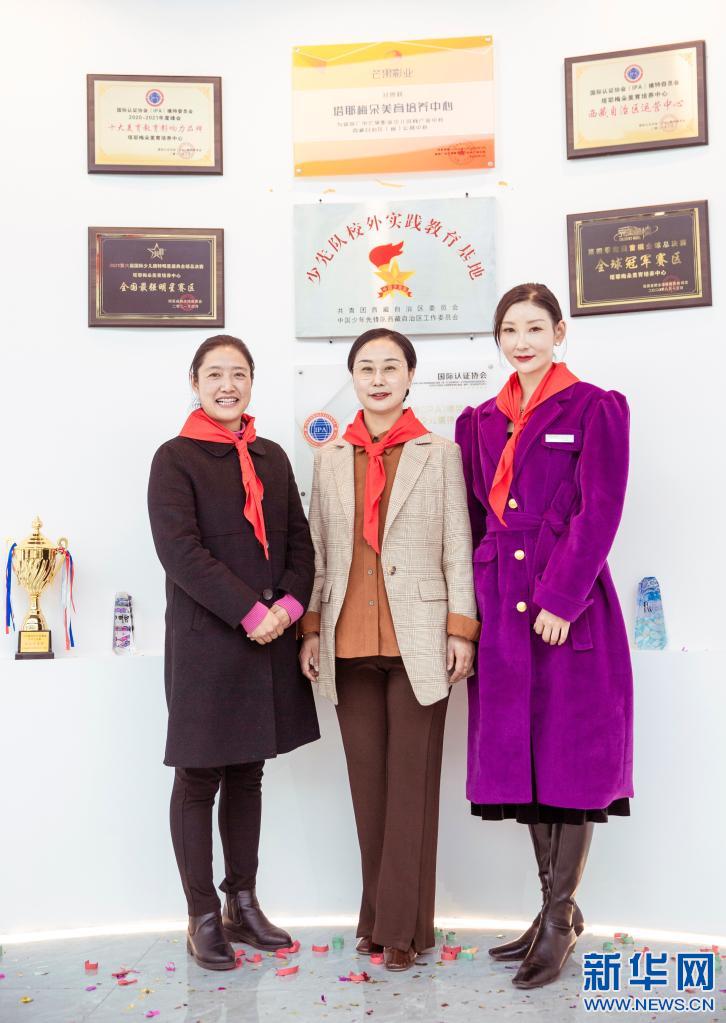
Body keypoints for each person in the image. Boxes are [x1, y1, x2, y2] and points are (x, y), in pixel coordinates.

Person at [455, 283, 633, 989]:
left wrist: (563, 596)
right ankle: (552, 908)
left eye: (535, 327)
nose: (521, 341)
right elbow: (474, 519)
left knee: (570, 757)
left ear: (560, 332)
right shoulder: (478, 422)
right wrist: (475, 609)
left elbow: (601, 509)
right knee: (526, 759)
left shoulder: (594, 407)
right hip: (502, 603)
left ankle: (559, 919)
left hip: (570, 603)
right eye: (509, 329)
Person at [298, 328, 479, 972]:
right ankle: (377, 917)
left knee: (411, 786)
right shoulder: (328, 457)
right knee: (367, 788)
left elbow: (458, 546)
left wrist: (461, 627)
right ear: (353, 378)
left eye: (390, 367)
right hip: (347, 636)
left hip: (420, 638)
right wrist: (310, 628)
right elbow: (317, 549)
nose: (378, 379)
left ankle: (400, 929)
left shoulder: (440, 453)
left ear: (409, 377)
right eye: (366, 368)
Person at [148, 334, 319, 970]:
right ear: (194, 383)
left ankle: (241, 903)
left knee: (249, 772)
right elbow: (180, 552)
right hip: (208, 642)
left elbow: (300, 543)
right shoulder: (174, 458)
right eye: (215, 374)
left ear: (252, 382)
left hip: (269, 638)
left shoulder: (272, 456)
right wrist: (251, 613)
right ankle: (200, 916)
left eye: (239, 374)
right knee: (199, 776)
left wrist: (288, 609)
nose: (228, 385)